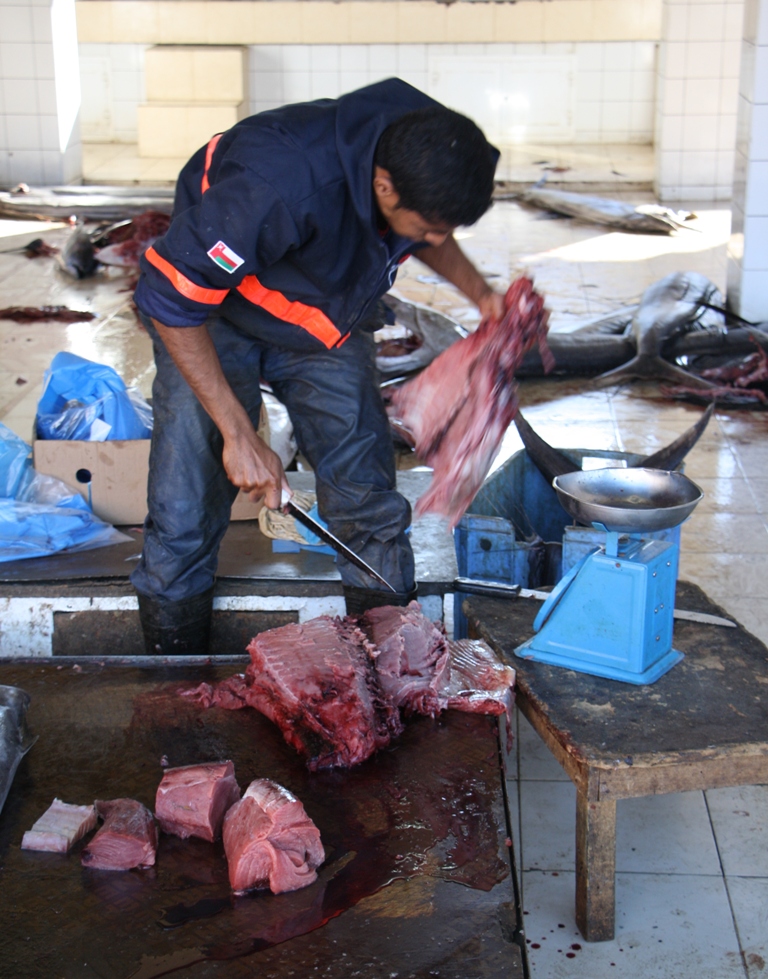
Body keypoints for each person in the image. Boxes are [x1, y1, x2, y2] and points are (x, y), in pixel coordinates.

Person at [132, 77, 503, 656]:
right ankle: (172, 671)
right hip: (210, 317)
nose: (437, 241)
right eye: (429, 229)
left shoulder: (430, 144)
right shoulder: (276, 183)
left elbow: (430, 222)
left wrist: (484, 296)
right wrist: (238, 434)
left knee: (366, 497)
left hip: (323, 311)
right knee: (184, 504)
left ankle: (392, 668)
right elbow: (168, 302)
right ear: (383, 185)